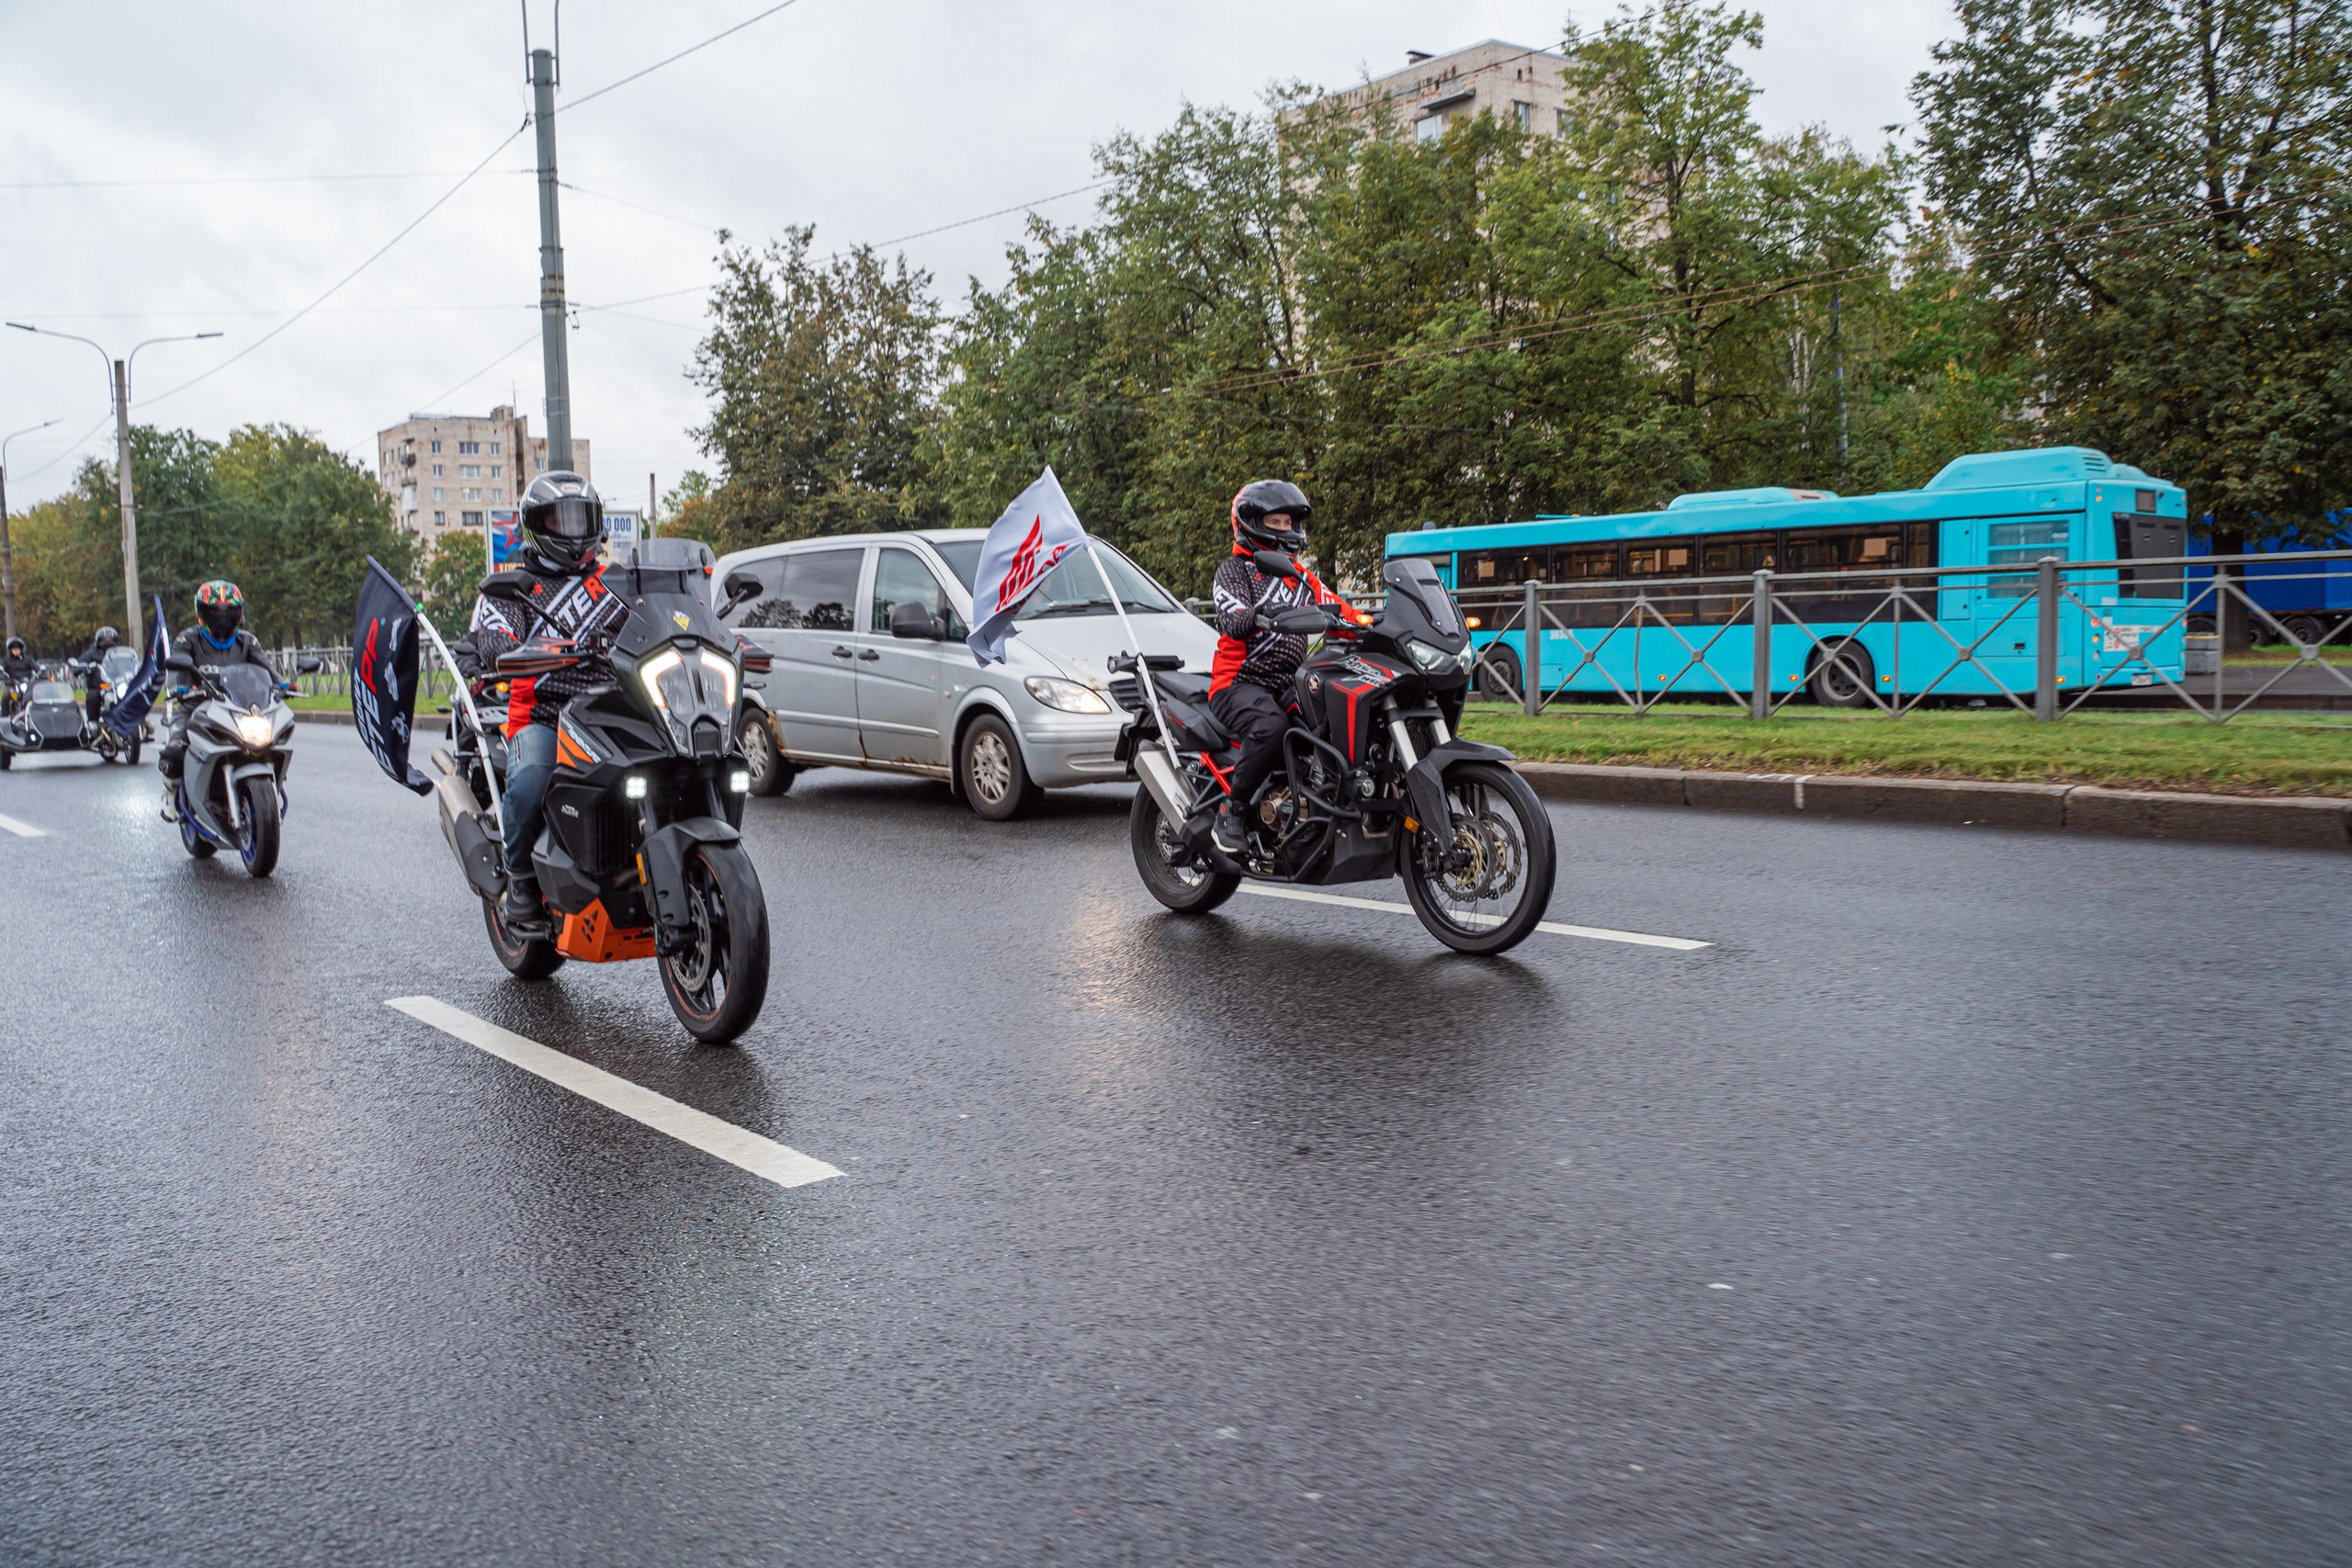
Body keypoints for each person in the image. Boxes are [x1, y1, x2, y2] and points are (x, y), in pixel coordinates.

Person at [467, 471, 628, 931]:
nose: (574, 531)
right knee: (534, 777)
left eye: (582, 519)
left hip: (612, 709)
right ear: (536, 526)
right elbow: (494, 641)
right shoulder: (515, 586)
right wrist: (514, 649)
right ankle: (518, 877)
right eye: (561, 520)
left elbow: (657, 617)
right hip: (543, 715)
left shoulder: (616, 582)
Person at [1205, 479, 1363, 857]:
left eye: (1290, 523)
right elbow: (1233, 618)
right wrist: (1257, 615)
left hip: (1287, 683)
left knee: (1328, 723)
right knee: (1272, 728)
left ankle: (1316, 809)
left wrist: (1370, 622)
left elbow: (1339, 609)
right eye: (1276, 522)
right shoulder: (1234, 572)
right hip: (1237, 683)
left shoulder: (1300, 576)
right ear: (1251, 523)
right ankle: (1233, 812)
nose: (1287, 530)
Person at [158, 581, 277, 817]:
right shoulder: (188, 639)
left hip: (239, 708)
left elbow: (266, 669)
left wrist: (283, 685)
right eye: (215, 612)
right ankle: (170, 794)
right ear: (202, 614)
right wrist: (179, 688)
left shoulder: (247, 641)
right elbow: (176, 670)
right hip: (195, 707)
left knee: (273, 740)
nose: (222, 618)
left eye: (229, 612)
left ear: (239, 613)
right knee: (174, 752)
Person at [75, 625, 122, 723]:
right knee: (93, 696)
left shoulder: (120, 653)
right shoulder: (91, 653)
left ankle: (140, 722)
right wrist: (83, 667)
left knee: (134, 693)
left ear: (116, 641)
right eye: (104, 640)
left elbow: (129, 663)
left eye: (111, 640)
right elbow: (79, 663)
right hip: (100, 686)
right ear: (98, 641)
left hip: (118, 686)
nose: (108, 642)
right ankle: (93, 724)